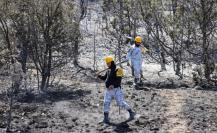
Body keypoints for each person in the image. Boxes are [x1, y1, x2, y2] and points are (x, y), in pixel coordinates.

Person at [97, 56, 135, 124]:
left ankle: (131, 113)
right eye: (107, 63)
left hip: (116, 90)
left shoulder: (118, 69)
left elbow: (119, 80)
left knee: (120, 103)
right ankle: (105, 119)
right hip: (108, 90)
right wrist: (99, 76)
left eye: (108, 63)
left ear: (111, 62)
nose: (107, 65)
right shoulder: (108, 70)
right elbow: (104, 78)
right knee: (106, 103)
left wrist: (113, 85)